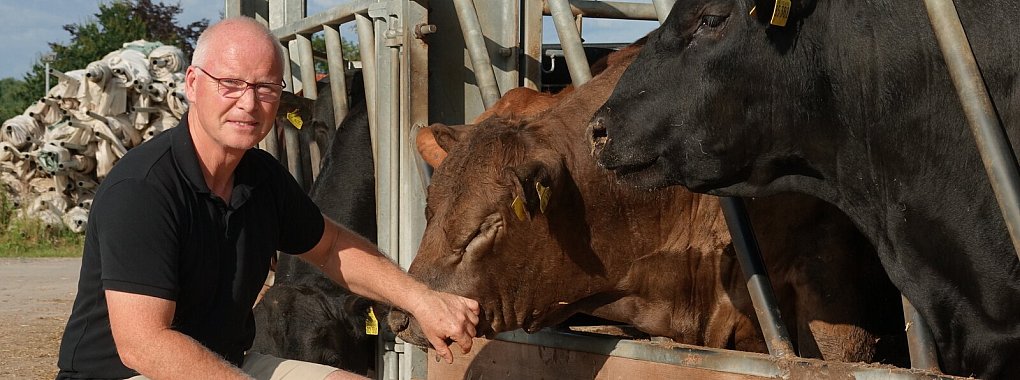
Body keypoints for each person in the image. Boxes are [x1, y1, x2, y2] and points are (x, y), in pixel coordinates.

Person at [56, 16, 479, 380]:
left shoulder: (260, 178)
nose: (248, 103)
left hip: (226, 361)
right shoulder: (144, 190)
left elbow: (332, 248)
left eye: (265, 87)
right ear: (192, 84)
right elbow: (144, 345)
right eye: (231, 83)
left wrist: (422, 299)